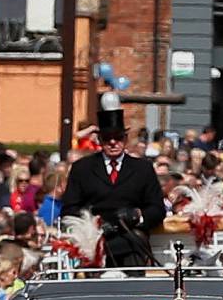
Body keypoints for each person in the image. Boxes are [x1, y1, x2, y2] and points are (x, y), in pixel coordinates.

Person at [61, 96, 165, 265]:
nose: (113, 143)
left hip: (132, 240)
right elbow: (69, 209)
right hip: (94, 242)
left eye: (118, 137)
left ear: (125, 138)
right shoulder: (82, 168)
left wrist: (138, 216)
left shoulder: (142, 169)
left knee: (134, 246)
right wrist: (91, 225)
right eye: (107, 138)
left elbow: (157, 208)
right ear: (99, 140)